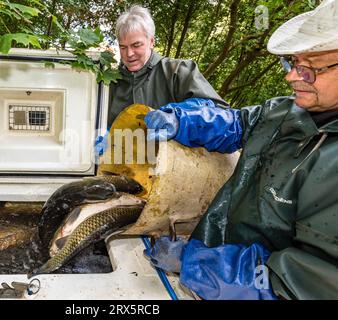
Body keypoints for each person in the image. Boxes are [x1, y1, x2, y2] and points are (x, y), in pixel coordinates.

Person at [144, 0, 338, 300]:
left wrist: (195, 264)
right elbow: (234, 124)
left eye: (309, 69)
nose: (291, 77)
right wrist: (181, 120)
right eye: (292, 63)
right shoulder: (284, 111)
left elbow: (302, 283)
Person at [95, 5, 227, 155]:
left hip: (175, 171)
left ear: (151, 41)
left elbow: (221, 113)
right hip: (122, 170)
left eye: (136, 45)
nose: (129, 54)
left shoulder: (178, 71)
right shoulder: (109, 83)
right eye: (123, 47)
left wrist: (179, 119)